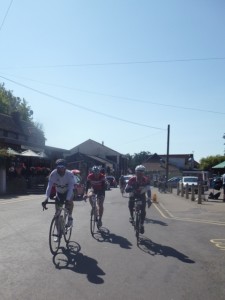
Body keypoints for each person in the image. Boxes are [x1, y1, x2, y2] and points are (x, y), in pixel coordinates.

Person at [42, 158, 76, 227]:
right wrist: (46, 198)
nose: (60, 169)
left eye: (62, 167)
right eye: (58, 167)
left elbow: (70, 189)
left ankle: (70, 217)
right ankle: (58, 233)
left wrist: (67, 200)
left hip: (68, 192)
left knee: (69, 202)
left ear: (65, 168)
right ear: (56, 168)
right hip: (59, 193)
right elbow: (49, 186)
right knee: (57, 214)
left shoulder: (70, 175)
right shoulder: (53, 174)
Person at [125, 165, 151, 234]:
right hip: (133, 194)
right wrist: (127, 189)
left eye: (141, 173)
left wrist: (149, 198)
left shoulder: (146, 180)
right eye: (138, 173)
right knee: (130, 205)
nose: (139, 175)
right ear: (135, 173)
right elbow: (127, 188)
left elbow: (148, 190)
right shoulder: (132, 179)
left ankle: (141, 224)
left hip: (142, 195)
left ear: (143, 173)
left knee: (143, 210)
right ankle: (132, 217)